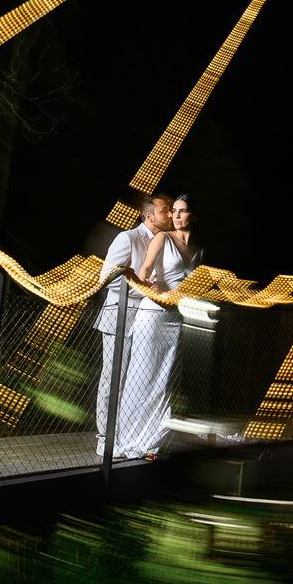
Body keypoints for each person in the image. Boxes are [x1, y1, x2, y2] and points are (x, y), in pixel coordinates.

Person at [115, 193, 204, 459]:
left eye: (182, 211)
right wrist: (152, 291)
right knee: (140, 378)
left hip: (175, 318)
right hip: (152, 314)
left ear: (193, 216)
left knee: (162, 380)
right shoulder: (162, 239)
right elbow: (142, 274)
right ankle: (128, 441)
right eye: (173, 211)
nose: (176, 216)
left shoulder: (199, 251)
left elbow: (192, 287)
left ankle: (149, 442)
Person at [93, 193, 174, 457]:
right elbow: (108, 278)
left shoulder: (166, 241)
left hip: (148, 322)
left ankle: (127, 437)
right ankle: (105, 438)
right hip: (121, 317)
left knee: (135, 383)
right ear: (149, 216)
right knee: (113, 379)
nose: (171, 215)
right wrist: (146, 291)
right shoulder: (127, 238)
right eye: (165, 210)